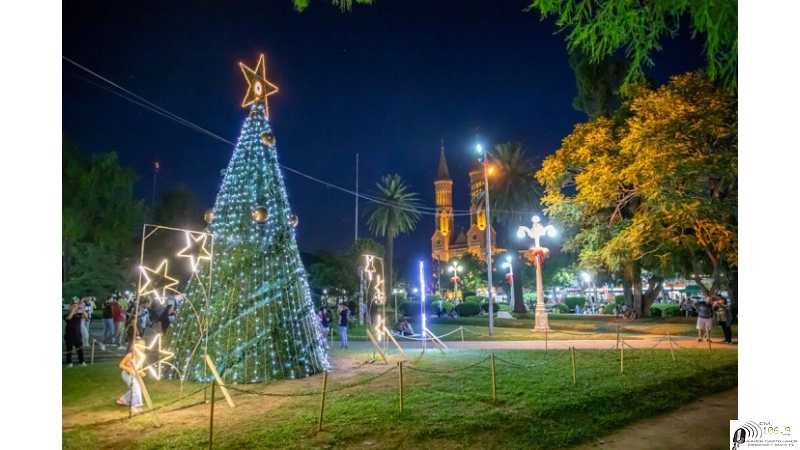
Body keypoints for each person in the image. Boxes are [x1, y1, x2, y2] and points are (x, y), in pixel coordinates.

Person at [116, 341, 143, 413]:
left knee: (136, 388)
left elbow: (139, 369)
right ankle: (135, 406)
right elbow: (120, 365)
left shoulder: (141, 358)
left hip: (133, 375)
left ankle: (123, 400)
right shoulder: (130, 355)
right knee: (135, 387)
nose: (141, 349)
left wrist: (141, 373)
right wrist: (128, 369)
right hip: (126, 374)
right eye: (139, 347)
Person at [64, 302, 86, 367]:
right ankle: (69, 363)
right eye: (74, 306)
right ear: (70, 307)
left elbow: (86, 317)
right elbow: (68, 318)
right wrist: (73, 310)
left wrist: (82, 310)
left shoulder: (79, 314)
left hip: (78, 335)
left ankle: (82, 362)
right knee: (69, 350)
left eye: (76, 306)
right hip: (69, 335)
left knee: (80, 350)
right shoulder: (66, 314)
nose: (75, 307)